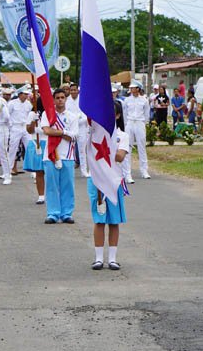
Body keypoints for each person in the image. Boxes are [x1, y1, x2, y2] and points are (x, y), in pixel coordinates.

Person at [89, 102, 129, 271]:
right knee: (99, 219)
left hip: (114, 181)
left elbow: (120, 156)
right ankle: (98, 258)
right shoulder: (94, 133)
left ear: (118, 115)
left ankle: (112, 258)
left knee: (114, 221)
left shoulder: (122, 136)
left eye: (112, 112)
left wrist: (106, 147)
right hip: (97, 180)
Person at [40, 88, 78, 224]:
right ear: (54, 100)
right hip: (50, 155)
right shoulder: (47, 114)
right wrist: (64, 133)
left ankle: (67, 213)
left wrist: (57, 132)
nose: (60, 100)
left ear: (66, 99)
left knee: (68, 186)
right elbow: (46, 130)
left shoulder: (72, 116)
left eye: (62, 97)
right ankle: (53, 213)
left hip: (67, 155)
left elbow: (74, 136)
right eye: (57, 98)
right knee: (52, 186)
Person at [122, 80, 151, 181]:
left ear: (138, 89)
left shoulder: (144, 100)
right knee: (127, 147)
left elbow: (146, 114)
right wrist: (127, 124)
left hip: (139, 122)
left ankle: (144, 170)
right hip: (130, 122)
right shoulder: (127, 100)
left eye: (133, 88)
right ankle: (127, 173)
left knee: (141, 147)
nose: (131, 89)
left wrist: (143, 123)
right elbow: (124, 113)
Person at [23, 100, 46, 204]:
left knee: (50, 171)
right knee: (39, 171)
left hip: (48, 142)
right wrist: (33, 120)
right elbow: (29, 130)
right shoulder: (32, 114)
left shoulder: (51, 113)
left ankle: (52, 194)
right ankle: (41, 196)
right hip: (36, 142)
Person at [65, 83, 90, 177]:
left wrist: (77, 120)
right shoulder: (67, 101)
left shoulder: (83, 100)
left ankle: (84, 171)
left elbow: (86, 116)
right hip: (71, 128)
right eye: (71, 90)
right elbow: (66, 115)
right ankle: (69, 171)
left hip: (81, 127)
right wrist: (73, 120)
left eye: (74, 90)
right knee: (69, 149)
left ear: (78, 90)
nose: (73, 92)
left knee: (82, 150)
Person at [7, 85, 33, 175]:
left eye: (27, 94)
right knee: (12, 148)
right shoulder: (12, 103)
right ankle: (9, 169)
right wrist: (10, 126)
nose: (26, 96)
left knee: (30, 147)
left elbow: (30, 115)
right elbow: (7, 115)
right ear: (20, 94)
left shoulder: (29, 104)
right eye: (24, 94)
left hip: (25, 127)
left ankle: (33, 170)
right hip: (15, 127)